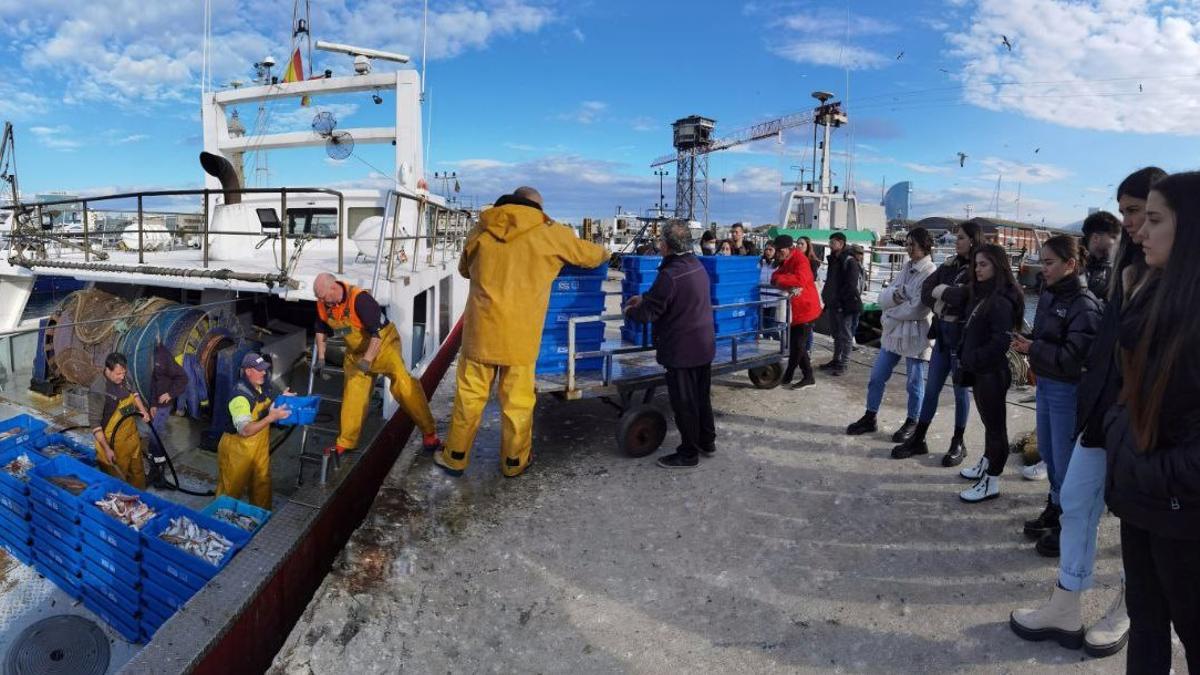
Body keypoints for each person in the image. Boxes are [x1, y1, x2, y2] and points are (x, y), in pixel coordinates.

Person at [1009, 166, 1165, 658]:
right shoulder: (1124, 268)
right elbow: (1105, 350)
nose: (1131, 224)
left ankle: (1127, 606)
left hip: (1144, 422)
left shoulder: (1174, 274)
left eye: (1138, 212)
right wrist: (1089, 410)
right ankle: (1066, 601)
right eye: (1124, 214)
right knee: (1075, 502)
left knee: (1136, 524)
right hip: (1101, 415)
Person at [1101, 171, 1200, 673]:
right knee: (1145, 621)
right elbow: (1130, 392)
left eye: (1153, 219)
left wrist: (1142, 469)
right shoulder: (1154, 296)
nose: (1137, 231)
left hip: (1180, 513)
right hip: (1145, 503)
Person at [437, 187, 609, 477]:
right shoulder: (549, 232)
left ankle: (455, 457)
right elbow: (590, 256)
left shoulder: (482, 227)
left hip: (480, 333)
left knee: (469, 399)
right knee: (517, 404)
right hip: (520, 337)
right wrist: (606, 252)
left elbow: (464, 269)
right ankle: (514, 463)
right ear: (538, 207)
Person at [1011, 235, 1101, 555]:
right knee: (1049, 452)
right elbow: (1048, 337)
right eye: (1042, 260)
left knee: (1064, 460)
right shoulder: (1050, 295)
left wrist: (1035, 347)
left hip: (1066, 389)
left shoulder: (1084, 303)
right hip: (1046, 384)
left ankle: (1069, 522)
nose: (1043, 268)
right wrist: (1028, 341)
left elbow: (1075, 356)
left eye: (1049, 263)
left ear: (1070, 265)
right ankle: (1055, 504)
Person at [313, 272, 442, 458]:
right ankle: (346, 442)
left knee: (404, 385)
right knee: (353, 397)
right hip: (356, 353)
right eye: (319, 298)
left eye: (324, 297)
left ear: (333, 288)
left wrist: (368, 361)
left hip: (384, 347)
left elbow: (377, 335)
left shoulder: (361, 300)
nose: (323, 302)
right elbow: (320, 330)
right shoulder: (323, 303)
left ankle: (429, 432)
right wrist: (322, 358)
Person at [625, 221, 716, 468]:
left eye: (660, 240)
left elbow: (649, 313)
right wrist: (644, 298)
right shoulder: (695, 265)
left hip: (682, 348)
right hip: (703, 344)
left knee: (684, 402)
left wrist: (631, 309)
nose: (658, 244)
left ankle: (688, 453)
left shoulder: (670, 274)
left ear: (666, 245)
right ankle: (707, 441)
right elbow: (672, 296)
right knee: (701, 397)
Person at [893, 222, 983, 465]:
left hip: (962, 339)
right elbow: (926, 291)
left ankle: (958, 441)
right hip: (943, 335)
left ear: (973, 240)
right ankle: (919, 438)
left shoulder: (980, 267)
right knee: (931, 390)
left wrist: (943, 293)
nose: (957, 241)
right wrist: (946, 295)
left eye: (961, 237)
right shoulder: (949, 265)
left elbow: (964, 296)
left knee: (960, 391)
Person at [846, 228, 936, 440]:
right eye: (907, 243)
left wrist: (892, 309)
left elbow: (919, 308)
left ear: (924, 246)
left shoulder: (930, 272)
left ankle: (913, 421)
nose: (908, 248)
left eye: (912, 244)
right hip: (895, 334)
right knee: (877, 376)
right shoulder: (906, 267)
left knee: (914, 383)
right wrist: (896, 297)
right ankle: (870, 416)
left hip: (916, 335)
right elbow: (882, 297)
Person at [957, 243, 1024, 503]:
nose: (977, 269)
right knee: (989, 424)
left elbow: (999, 343)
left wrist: (972, 358)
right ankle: (986, 463)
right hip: (982, 372)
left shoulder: (1000, 301)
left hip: (992, 373)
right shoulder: (985, 295)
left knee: (997, 429)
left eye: (983, 264)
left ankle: (992, 481)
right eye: (976, 264)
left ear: (998, 266)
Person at [217, 352, 292, 509]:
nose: (264, 372)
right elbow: (245, 430)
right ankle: (220, 522)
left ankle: (262, 518)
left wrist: (282, 398)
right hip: (237, 449)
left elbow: (266, 403)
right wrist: (271, 418)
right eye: (260, 369)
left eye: (264, 369)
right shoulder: (240, 397)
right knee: (231, 490)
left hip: (259, 447)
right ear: (248, 371)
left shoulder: (261, 386)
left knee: (262, 483)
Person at [89, 352, 151, 488]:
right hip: (113, 442)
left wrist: (142, 410)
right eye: (118, 374)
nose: (122, 377)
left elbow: (134, 394)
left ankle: (140, 497)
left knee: (137, 471)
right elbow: (94, 424)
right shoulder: (98, 389)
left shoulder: (125, 375)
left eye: (123, 373)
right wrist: (107, 449)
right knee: (117, 480)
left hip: (131, 434)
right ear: (108, 369)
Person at [769, 235, 822, 389]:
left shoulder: (800, 260)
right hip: (796, 311)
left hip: (807, 309)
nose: (777, 253)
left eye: (780, 250)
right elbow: (774, 276)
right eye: (777, 250)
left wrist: (781, 280)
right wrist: (784, 278)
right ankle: (807, 376)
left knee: (798, 344)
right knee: (797, 345)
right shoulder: (787, 260)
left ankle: (790, 374)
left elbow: (800, 279)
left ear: (788, 249)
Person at [820, 232, 864, 376]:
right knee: (836, 334)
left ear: (841, 243)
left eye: (832, 242)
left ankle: (844, 363)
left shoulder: (849, 261)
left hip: (845, 306)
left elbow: (850, 286)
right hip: (833, 304)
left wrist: (840, 303)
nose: (830, 244)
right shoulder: (834, 259)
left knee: (846, 335)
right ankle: (836, 360)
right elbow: (831, 282)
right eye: (830, 241)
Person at [148, 342, 188, 463]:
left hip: (165, 404)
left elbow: (183, 378)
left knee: (155, 431)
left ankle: (159, 459)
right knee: (157, 429)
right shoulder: (153, 356)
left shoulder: (164, 356)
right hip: (157, 403)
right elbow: (154, 383)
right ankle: (153, 453)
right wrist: (153, 404)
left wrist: (170, 394)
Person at [1081, 210, 1121, 299]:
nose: (1117, 243)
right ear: (1096, 238)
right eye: (1113, 237)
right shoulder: (1070, 264)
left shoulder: (1116, 269)